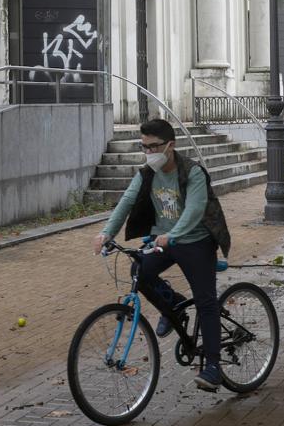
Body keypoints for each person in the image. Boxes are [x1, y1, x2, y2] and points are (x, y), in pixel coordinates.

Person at [93, 118, 231, 391]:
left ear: (170, 145)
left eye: (154, 147)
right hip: (165, 241)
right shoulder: (147, 173)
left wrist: (173, 235)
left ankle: (213, 366)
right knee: (140, 272)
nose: (149, 153)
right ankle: (174, 305)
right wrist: (106, 233)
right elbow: (127, 201)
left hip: (196, 240)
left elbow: (194, 209)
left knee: (205, 302)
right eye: (144, 147)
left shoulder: (192, 172)